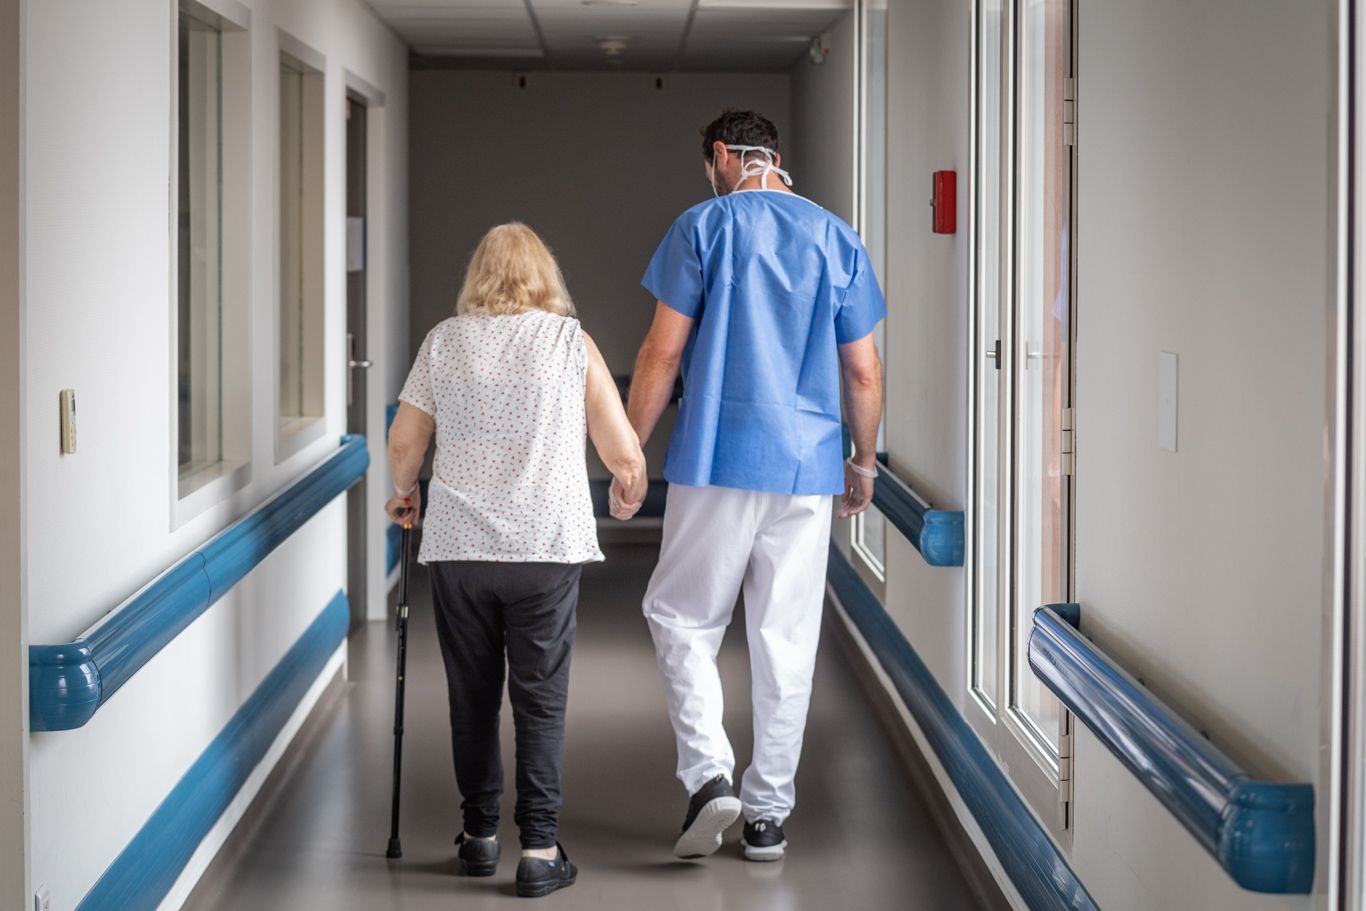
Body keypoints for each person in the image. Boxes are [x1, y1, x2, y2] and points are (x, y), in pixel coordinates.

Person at [623, 110, 885, 863]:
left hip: (716, 458)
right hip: (806, 468)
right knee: (786, 639)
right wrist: (861, 462)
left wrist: (629, 455)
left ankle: (708, 776)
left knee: (680, 616)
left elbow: (661, 352)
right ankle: (767, 816)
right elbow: (863, 369)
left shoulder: (702, 227)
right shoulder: (836, 237)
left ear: (721, 156)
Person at [387, 222, 646, 898]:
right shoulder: (571, 343)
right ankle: (538, 848)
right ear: (544, 275)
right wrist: (626, 490)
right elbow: (623, 452)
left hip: (460, 549)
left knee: (471, 697)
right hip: (545, 547)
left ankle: (477, 838)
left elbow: (403, 442)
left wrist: (404, 492)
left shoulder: (443, 342)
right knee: (541, 699)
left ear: (478, 275)